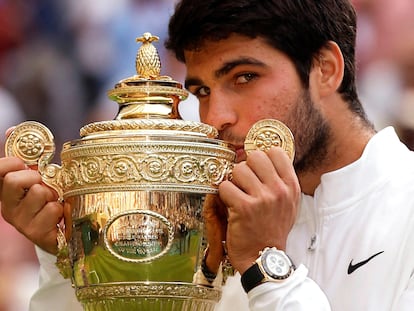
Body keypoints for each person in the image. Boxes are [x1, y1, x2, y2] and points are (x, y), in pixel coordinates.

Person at [1, 0, 414, 310]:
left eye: (244, 77)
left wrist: (264, 265)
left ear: (325, 69)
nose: (215, 117)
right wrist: (71, 258)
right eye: (201, 91)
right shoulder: (210, 213)